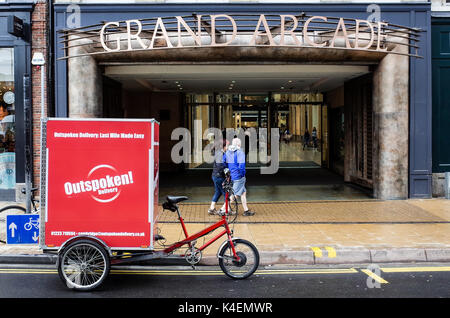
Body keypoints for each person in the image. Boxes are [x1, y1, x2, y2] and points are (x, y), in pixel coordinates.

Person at [221, 138, 254, 216]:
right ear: (239, 144)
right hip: (239, 176)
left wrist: (228, 170)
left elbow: (223, 162)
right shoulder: (240, 152)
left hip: (232, 176)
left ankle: (246, 210)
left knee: (243, 192)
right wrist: (242, 174)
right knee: (235, 195)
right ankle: (223, 209)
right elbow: (241, 166)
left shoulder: (228, 152)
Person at [208, 139, 228, 215]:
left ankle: (211, 208)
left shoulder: (218, 152)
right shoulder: (220, 153)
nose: (228, 147)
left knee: (218, 192)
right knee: (226, 193)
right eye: (227, 146)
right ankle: (224, 210)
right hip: (219, 177)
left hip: (215, 176)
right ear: (223, 146)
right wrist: (226, 171)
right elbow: (220, 166)